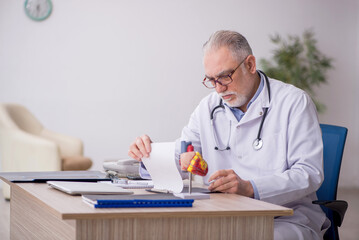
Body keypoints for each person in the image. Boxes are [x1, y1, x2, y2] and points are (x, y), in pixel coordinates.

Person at [128, 30, 329, 239]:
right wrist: (150, 155)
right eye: (211, 80)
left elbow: (309, 173)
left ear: (250, 64)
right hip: (224, 215)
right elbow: (185, 155)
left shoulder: (294, 102)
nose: (219, 89)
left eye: (225, 77)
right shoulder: (208, 107)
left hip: (284, 217)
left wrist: (250, 188)